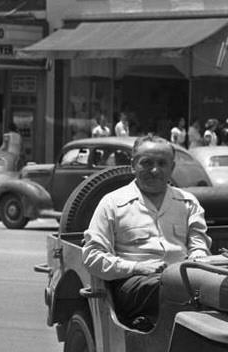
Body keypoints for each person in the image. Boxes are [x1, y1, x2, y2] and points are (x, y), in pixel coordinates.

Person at [82, 135, 210, 329]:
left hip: (184, 279)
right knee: (169, 287)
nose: (155, 170)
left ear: (172, 168)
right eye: (147, 163)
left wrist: (198, 265)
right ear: (133, 165)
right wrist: (136, 267)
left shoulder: (188, 203)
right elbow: (92, 257)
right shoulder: (112, 203)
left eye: (162, 163)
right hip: (133, 285)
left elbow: (199, 247)